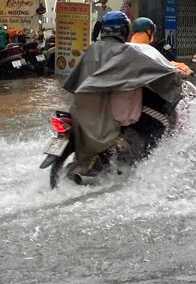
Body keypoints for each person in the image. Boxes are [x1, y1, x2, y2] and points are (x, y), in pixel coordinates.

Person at [62, 11, 185, 177]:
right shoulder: (127, 51)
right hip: (112, 116)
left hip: (83, 112)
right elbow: (159, 70)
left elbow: (73, 84)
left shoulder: (91, 50)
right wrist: (175, 76)